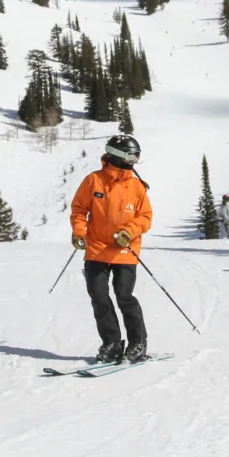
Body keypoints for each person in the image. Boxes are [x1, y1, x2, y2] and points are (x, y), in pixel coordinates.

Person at [70, 135, 153, 364]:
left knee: (124, 296)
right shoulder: (93, 181)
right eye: (130, 155)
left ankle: (138, 344)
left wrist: (129, 231)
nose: (134, 160)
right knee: (98, 295)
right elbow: (79, 209)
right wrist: (79, 233)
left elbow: (145, 217)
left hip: (125, 251)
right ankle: (112, 343)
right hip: (96, 249)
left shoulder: (136, 186)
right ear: (116, 155)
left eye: (136, 155)